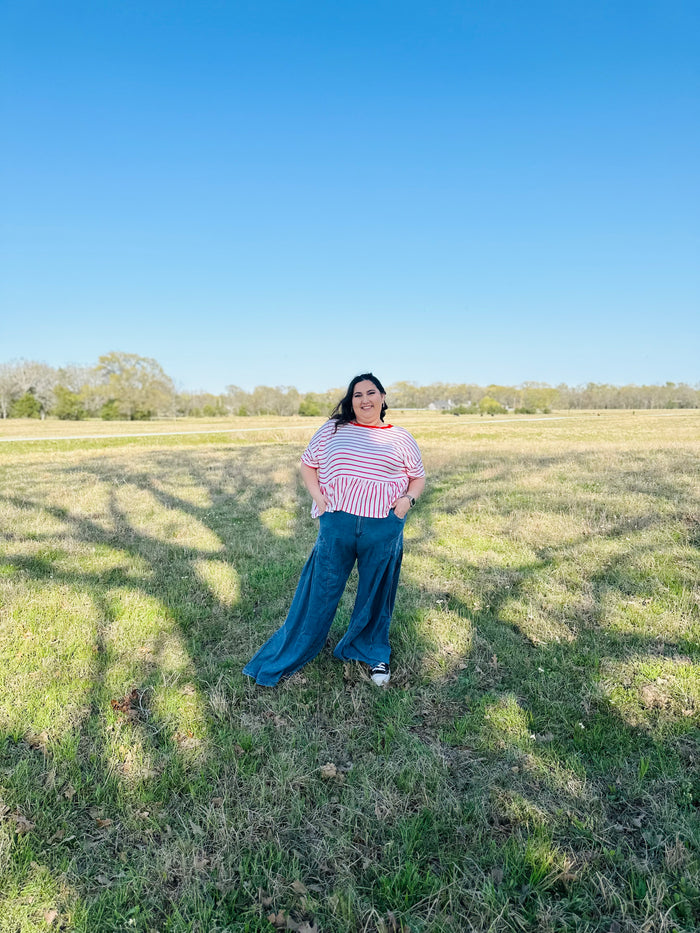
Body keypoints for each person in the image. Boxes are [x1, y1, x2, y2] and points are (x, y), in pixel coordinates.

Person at [243, 373, 426, 687]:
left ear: (383, 397)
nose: (364, 400)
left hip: (382, 525)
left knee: (376, 592)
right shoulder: (334, 429)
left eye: (371, 393)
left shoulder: (401, 437)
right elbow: (308, 463)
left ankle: (372, 653)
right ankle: (294, 649)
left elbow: (418, 477)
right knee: (319, 590)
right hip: (337, 522)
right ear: (350, 400)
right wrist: (319, 498)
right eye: (357, 395)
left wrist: (406, 502)